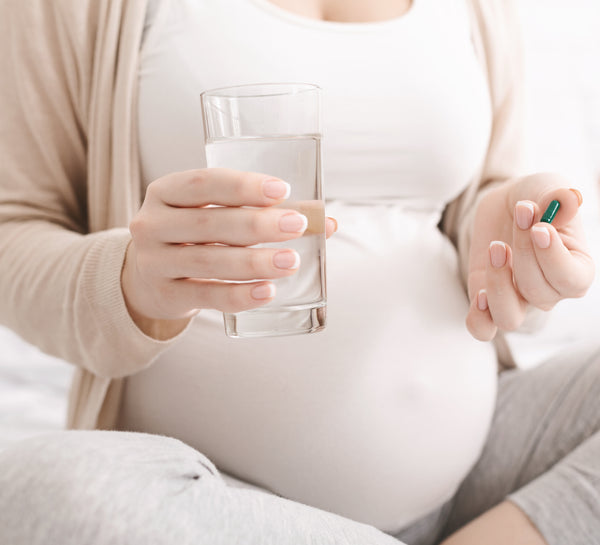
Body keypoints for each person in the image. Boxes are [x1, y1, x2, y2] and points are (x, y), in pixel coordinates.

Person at [0, 0, 598, 544]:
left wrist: (507, 231)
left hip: (472, 479)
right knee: (42, 492)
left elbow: (475, 200)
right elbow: (14, 227)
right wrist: (128, 279)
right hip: (210, 503)